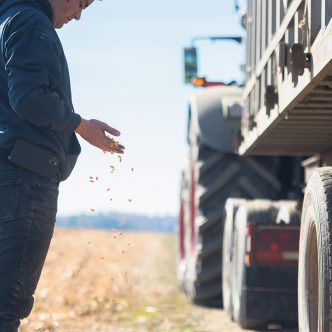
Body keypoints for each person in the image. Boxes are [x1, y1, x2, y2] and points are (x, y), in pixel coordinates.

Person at [0, 0, 125, 330]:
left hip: (9, 171)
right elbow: (30, 99)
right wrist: (81, 125)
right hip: (24, 177)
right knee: (6, 305)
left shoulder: (8, 19)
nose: (79, 15)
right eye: (82, 2)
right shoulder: (29, 22)